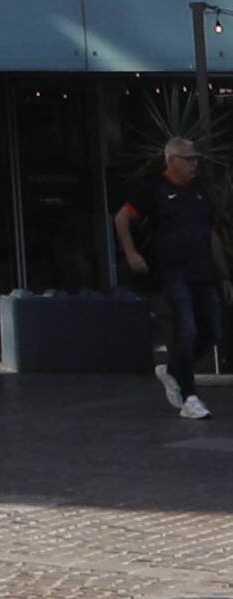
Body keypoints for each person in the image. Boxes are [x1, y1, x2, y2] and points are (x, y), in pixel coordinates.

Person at [118, 137, 226, 422]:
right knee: (186, 330)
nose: (195, 164)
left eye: (196, 159)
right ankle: (190, 398)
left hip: (202, 273)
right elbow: (122, 218)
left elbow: (211, 234)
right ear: (172, 161)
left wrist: (224, 274)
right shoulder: (155, 188)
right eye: (189, 159)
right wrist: (131, 253)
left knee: (212, 331)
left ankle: (173, 370)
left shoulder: (199, 192)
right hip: (173, 273)